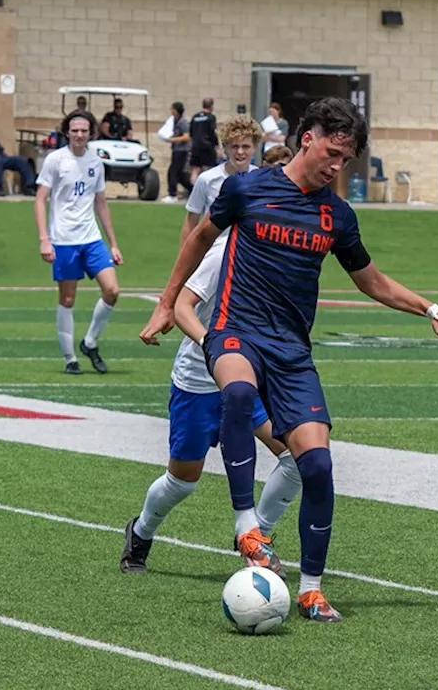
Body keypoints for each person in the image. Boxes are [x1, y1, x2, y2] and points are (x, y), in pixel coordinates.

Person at [138, 97, 438, 623]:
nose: (337, 166)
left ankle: (311, 589)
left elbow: (371, 281)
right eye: (332, 153)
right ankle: (247, 524)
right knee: (238, 394)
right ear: (306, 138)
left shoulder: (336, 215)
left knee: (316, 462)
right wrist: (164, 301)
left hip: (291, 352)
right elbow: (199, 238)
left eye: (347, 159)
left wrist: (430, 308)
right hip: (236, 332)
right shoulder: (246, 189)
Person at [121, 119, 301, 575]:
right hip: (201, 381)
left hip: (246, 382)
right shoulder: (223, 252)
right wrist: (210, 344)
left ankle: (253, 534)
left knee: (296, 458)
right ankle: (140, 532)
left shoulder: (281, 256)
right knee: (183, 482)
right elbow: (184, 306)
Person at [33, 111, 122, 375]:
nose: (79, 135)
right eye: (74, 130)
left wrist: (114, 243)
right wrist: (44, 240)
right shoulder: (56, 160)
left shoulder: (96, 161)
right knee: (68, 299)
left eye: (84, 130)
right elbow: (40, 199)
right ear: (67, 132)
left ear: (91, 132)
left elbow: (101, 203)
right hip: (63, 240)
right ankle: (69, 357)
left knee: (112, 291)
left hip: (92, 239)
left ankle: (90, 341)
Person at [162, 102, 192, 203]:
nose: (171, 111)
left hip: (182, 151)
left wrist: (172, 140)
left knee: (172, 172)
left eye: (172, 109)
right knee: (180, 175)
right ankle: (193, 190)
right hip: (176, 150)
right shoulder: (174, 121)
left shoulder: (182, 122)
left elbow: (186, 136)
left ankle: (172, 194)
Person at [188, 98, 219, 186]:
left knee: (194, 170)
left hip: (195, 146)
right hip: (207, 146)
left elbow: (191, 133)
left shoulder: (195, 117)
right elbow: (212, 132)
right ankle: (207, 190)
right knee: (209, 169)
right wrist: (217, 147)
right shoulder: (211, 117)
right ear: (211, 106)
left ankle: (193, 191)